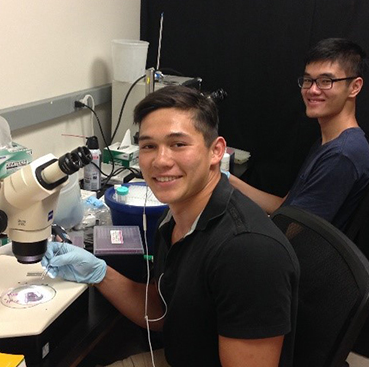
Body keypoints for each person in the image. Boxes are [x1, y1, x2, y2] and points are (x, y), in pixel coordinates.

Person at [42, 85, 300, 367]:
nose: (161, 161)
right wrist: (99, 273)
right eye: (148, 146)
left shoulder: (247, 252)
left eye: (178, 144)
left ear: (216, 151)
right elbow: (162, 312)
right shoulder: (176, 219)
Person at [228, 38, 369, 230]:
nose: (312, 90)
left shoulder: (341, 155)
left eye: (325, 81)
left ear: (354, 87)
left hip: (288, 255)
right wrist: (222, 178)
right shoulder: (329, 141)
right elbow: (282, 206)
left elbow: (290, 234)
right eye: (308, 80)